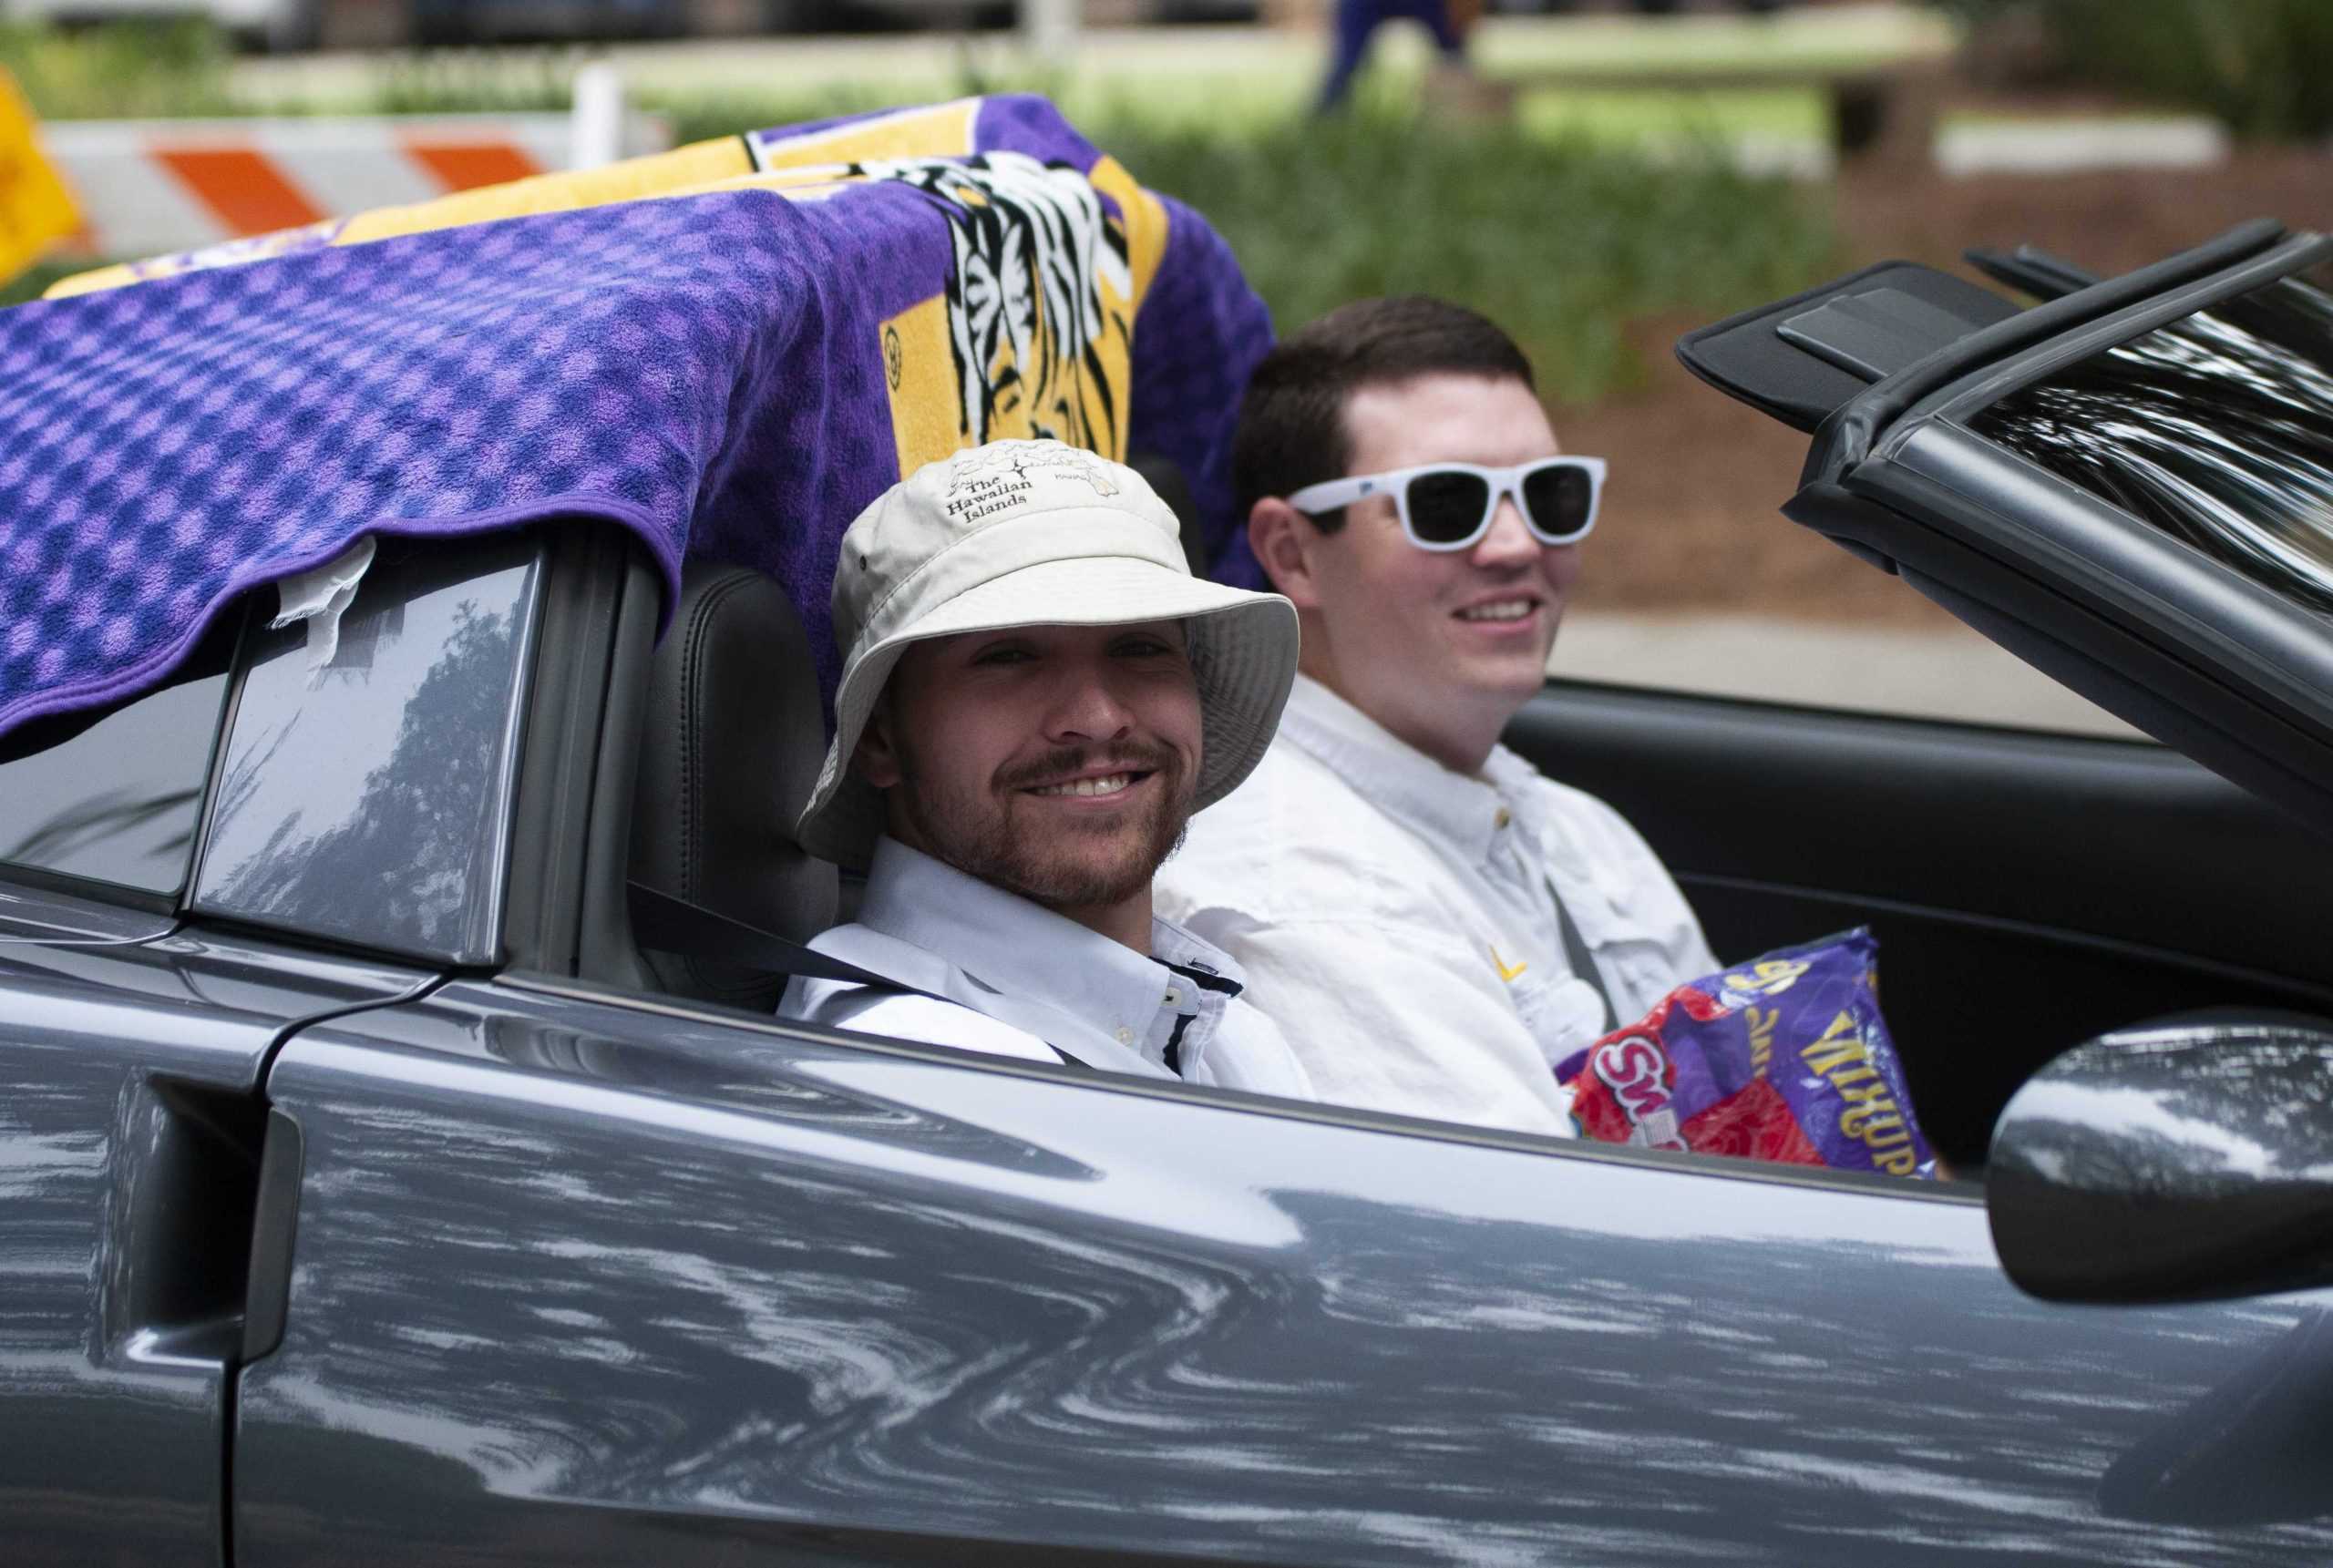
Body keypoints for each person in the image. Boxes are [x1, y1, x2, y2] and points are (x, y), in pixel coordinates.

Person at [1154, 297, 1717, 1137]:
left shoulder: (1578, 830)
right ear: (1291, 552)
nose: (1517, 544)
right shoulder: (1313, 902)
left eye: (1551, 494)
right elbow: (1532, 1240)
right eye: (1447, 505)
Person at [781, 439, 1315, 1100]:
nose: (1096, 717)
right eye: (1009, 656)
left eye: (1140, 646)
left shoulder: (1232, 1035)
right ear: (881, 739)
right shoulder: (922, 1071)